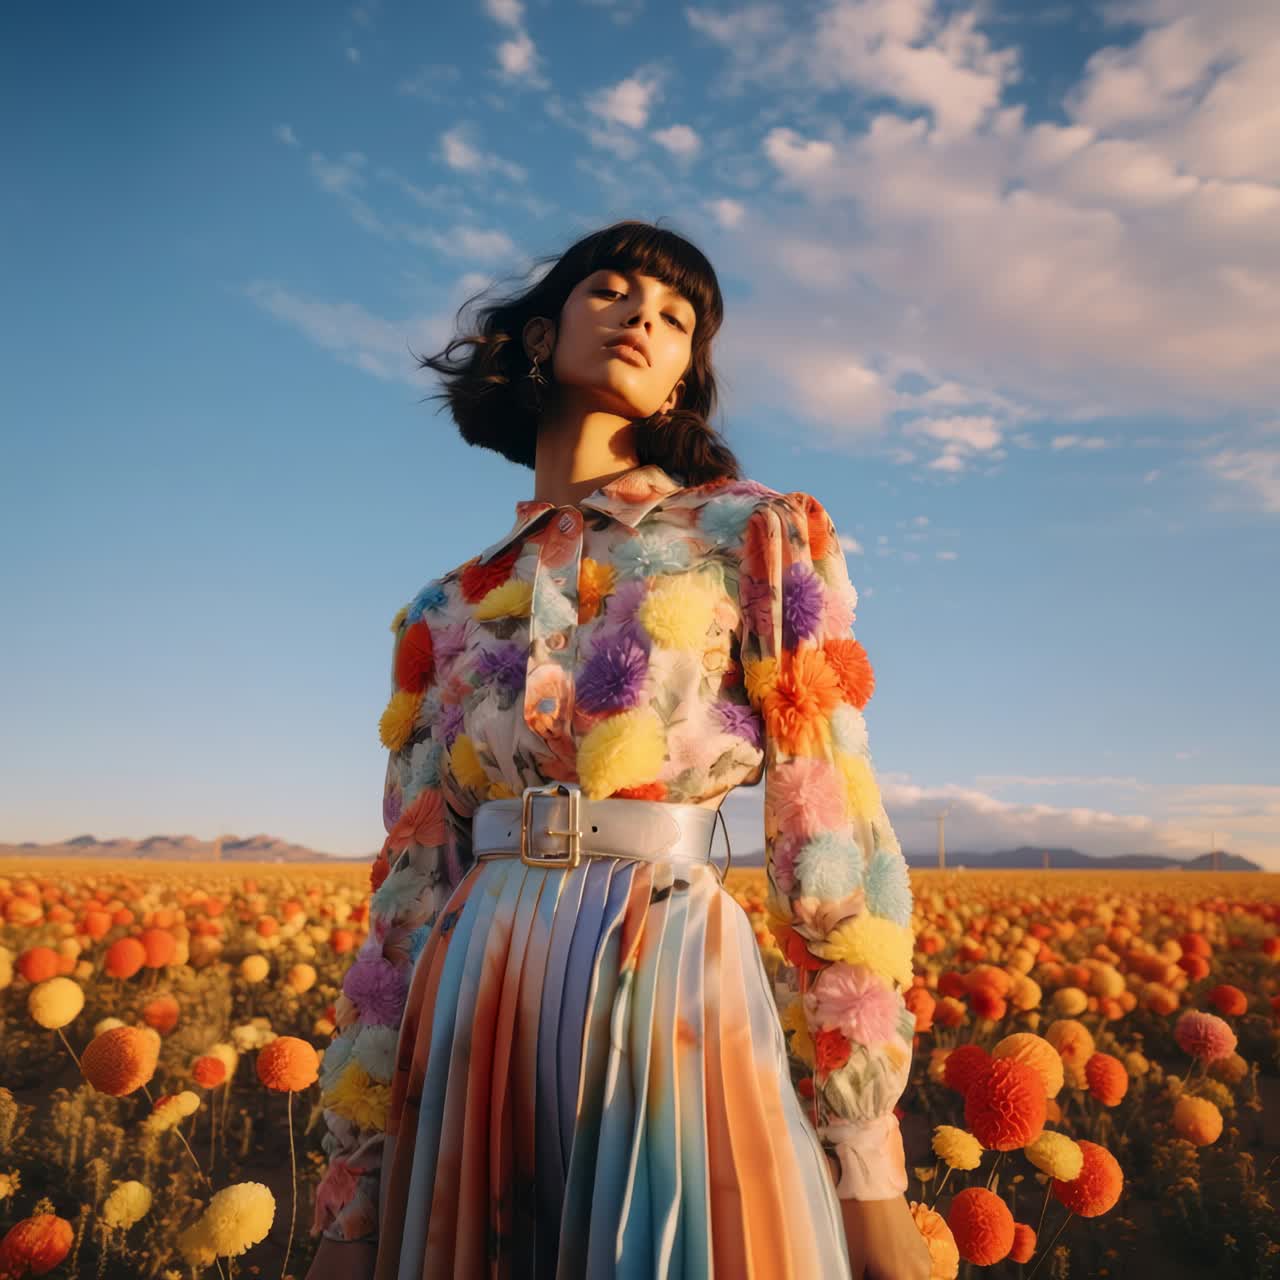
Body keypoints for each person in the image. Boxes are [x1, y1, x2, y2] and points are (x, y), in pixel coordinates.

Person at [305, 220, 930, 1280]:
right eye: (613, 289)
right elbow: (404, 896)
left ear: (686, 377)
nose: (646, 314)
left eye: (679, 316)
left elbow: (828, 830)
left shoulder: (752, 535)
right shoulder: (446, 609)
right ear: (541, 334)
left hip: (669, 963)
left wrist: (867, 1171)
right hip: (474, 986)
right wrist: (351, 1202)